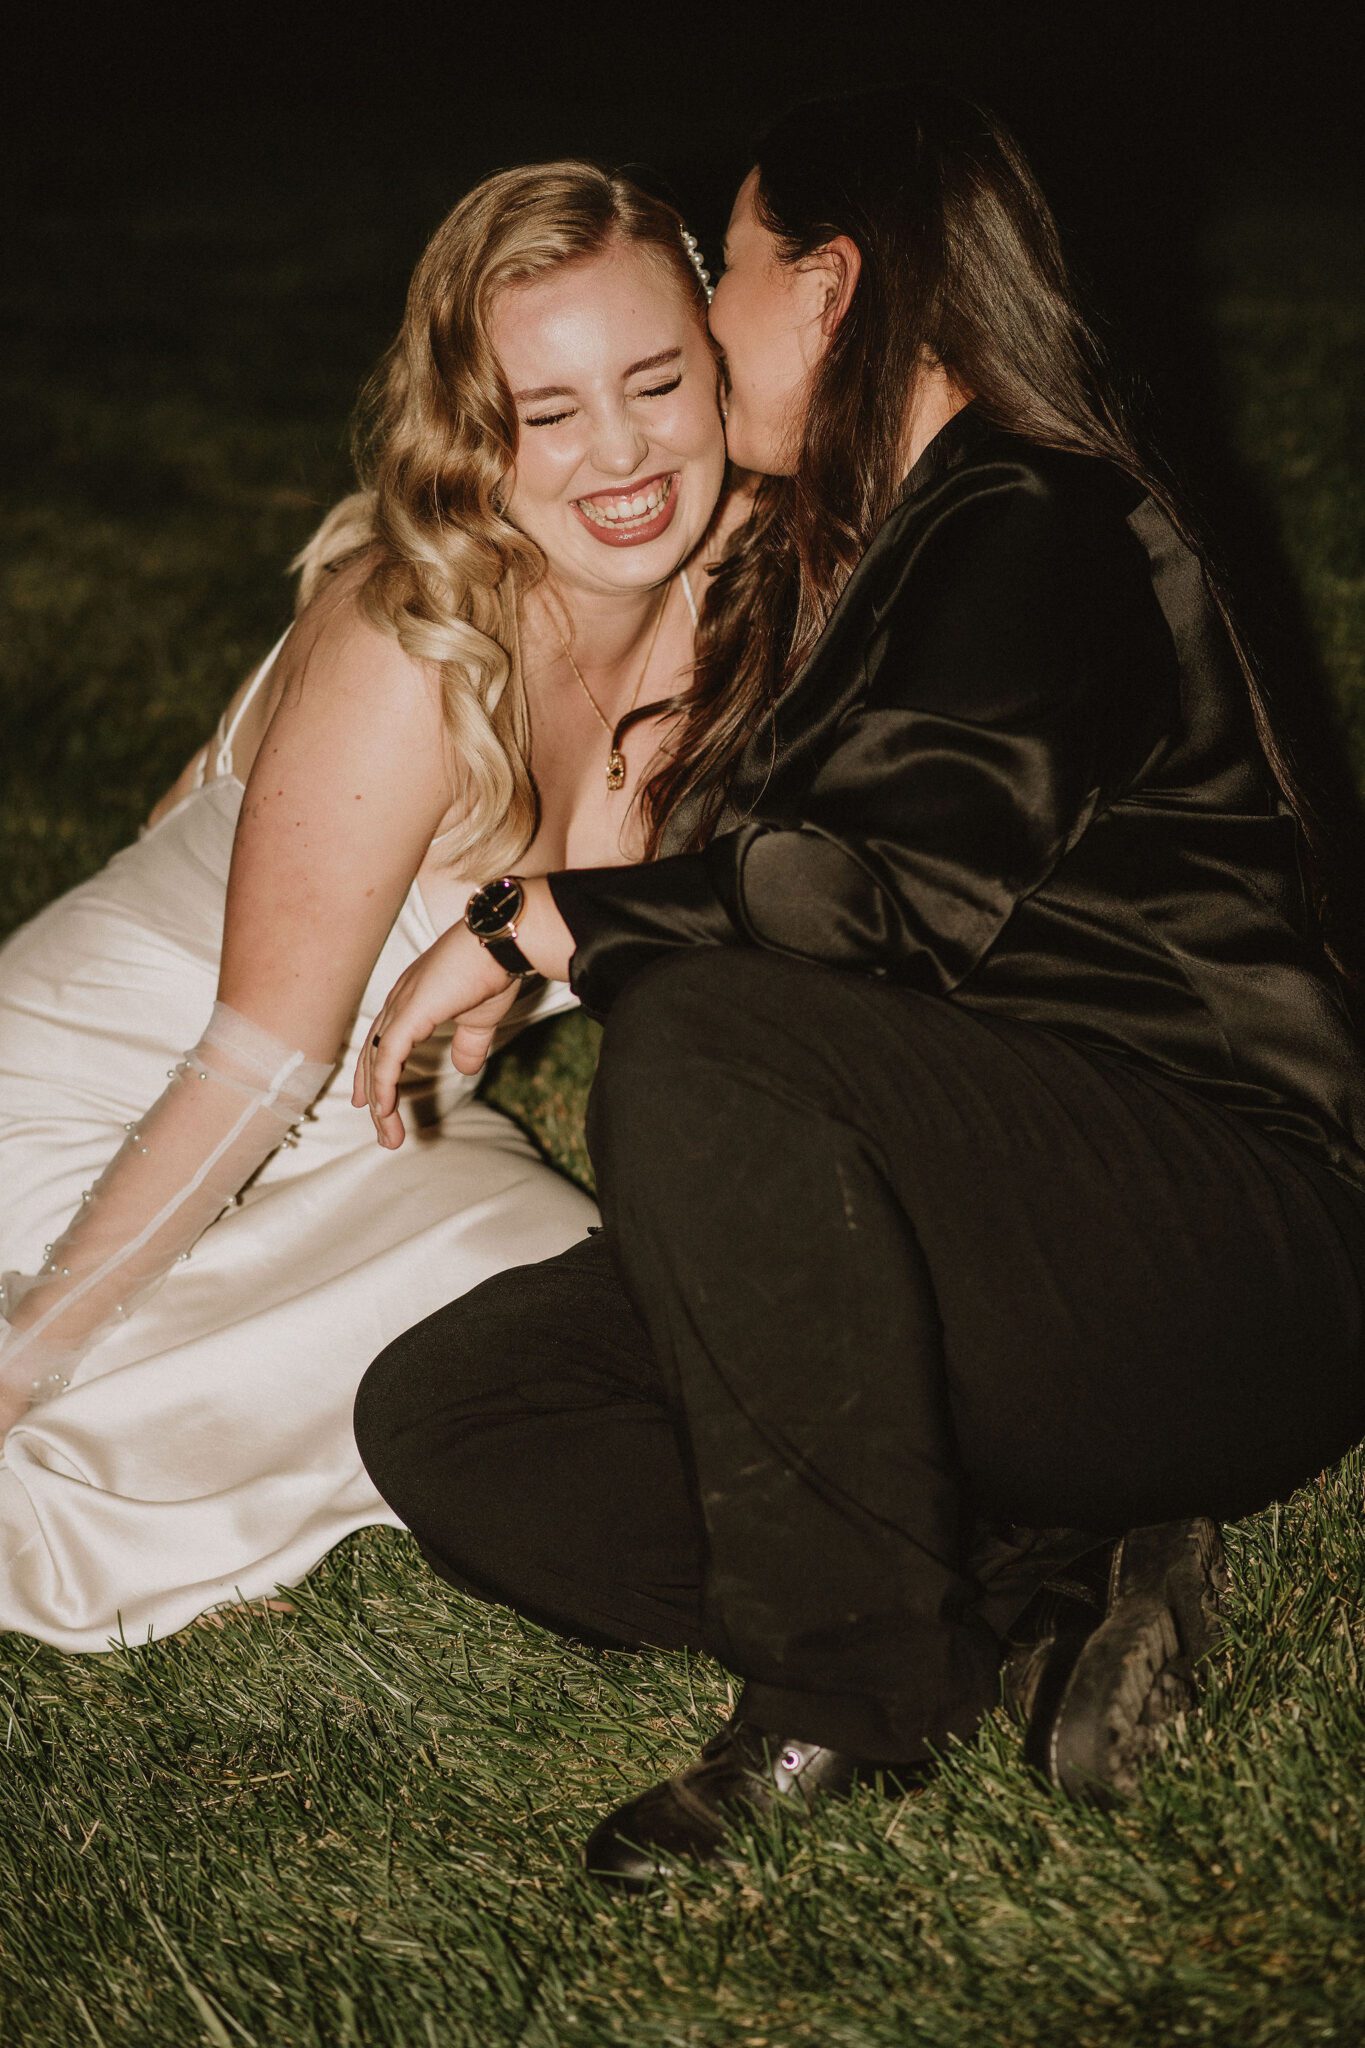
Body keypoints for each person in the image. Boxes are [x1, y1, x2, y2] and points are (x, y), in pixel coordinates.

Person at [352, 89, 1365, 1888]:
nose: (699, 311)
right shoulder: (882, 542)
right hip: (995, 1253)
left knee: (706, 1034)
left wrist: (553, 924)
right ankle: (1038, 1582)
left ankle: (853, 1693)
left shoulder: (1038, 523)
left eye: (719, 272)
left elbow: (870, 897)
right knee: (459, 1414)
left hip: (1227, 1259)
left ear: (826, 289)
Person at [0, 160, 733, 1651]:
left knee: (591, 1313)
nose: (622, 453)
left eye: (657, 382)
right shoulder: (417, 634)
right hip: (118, 1114)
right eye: (549, 414)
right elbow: (255, 1050)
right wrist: (25, 1356)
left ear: (724, 364)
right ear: (477, 433)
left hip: (371, 1133)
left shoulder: (741, 603)